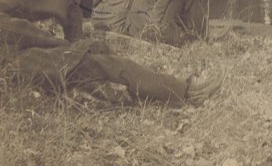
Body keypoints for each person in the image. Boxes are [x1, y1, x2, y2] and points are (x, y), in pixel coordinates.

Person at [1, 12, 222, 107]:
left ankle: (135, 86)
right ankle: (189, 93)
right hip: (40, 67)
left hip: (26, 70)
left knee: (96, 48)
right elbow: (26, 33)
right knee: (119, 66)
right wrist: (66, 46)